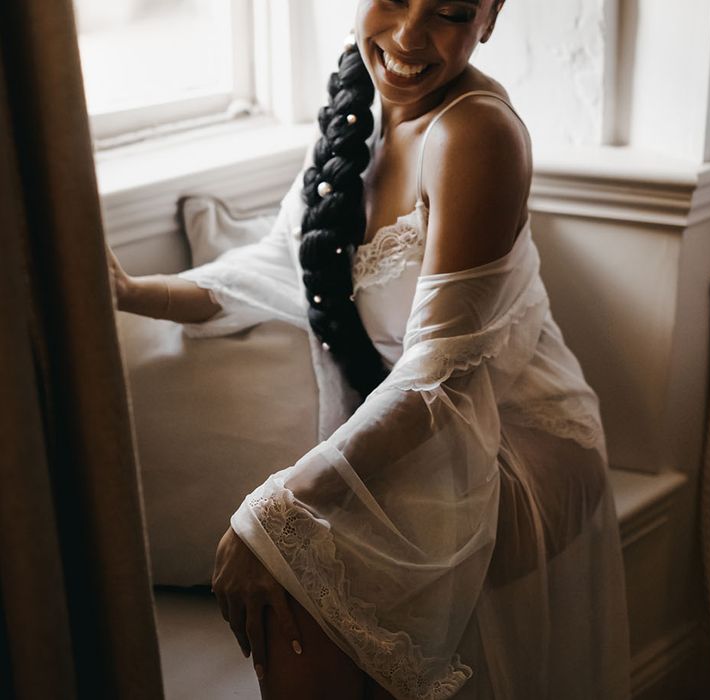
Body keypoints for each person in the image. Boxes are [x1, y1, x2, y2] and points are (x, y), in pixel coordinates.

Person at [111, 0, 631, 697]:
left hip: (515, 433)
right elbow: (279, 266)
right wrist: (125, 290)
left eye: (448, 11)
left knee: (298, 571)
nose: (409, 36)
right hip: (417, 424)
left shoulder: (476, 133)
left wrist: (275, 504)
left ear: (492, 16)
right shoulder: (358, 100)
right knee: (297, 576)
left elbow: (439, 374)